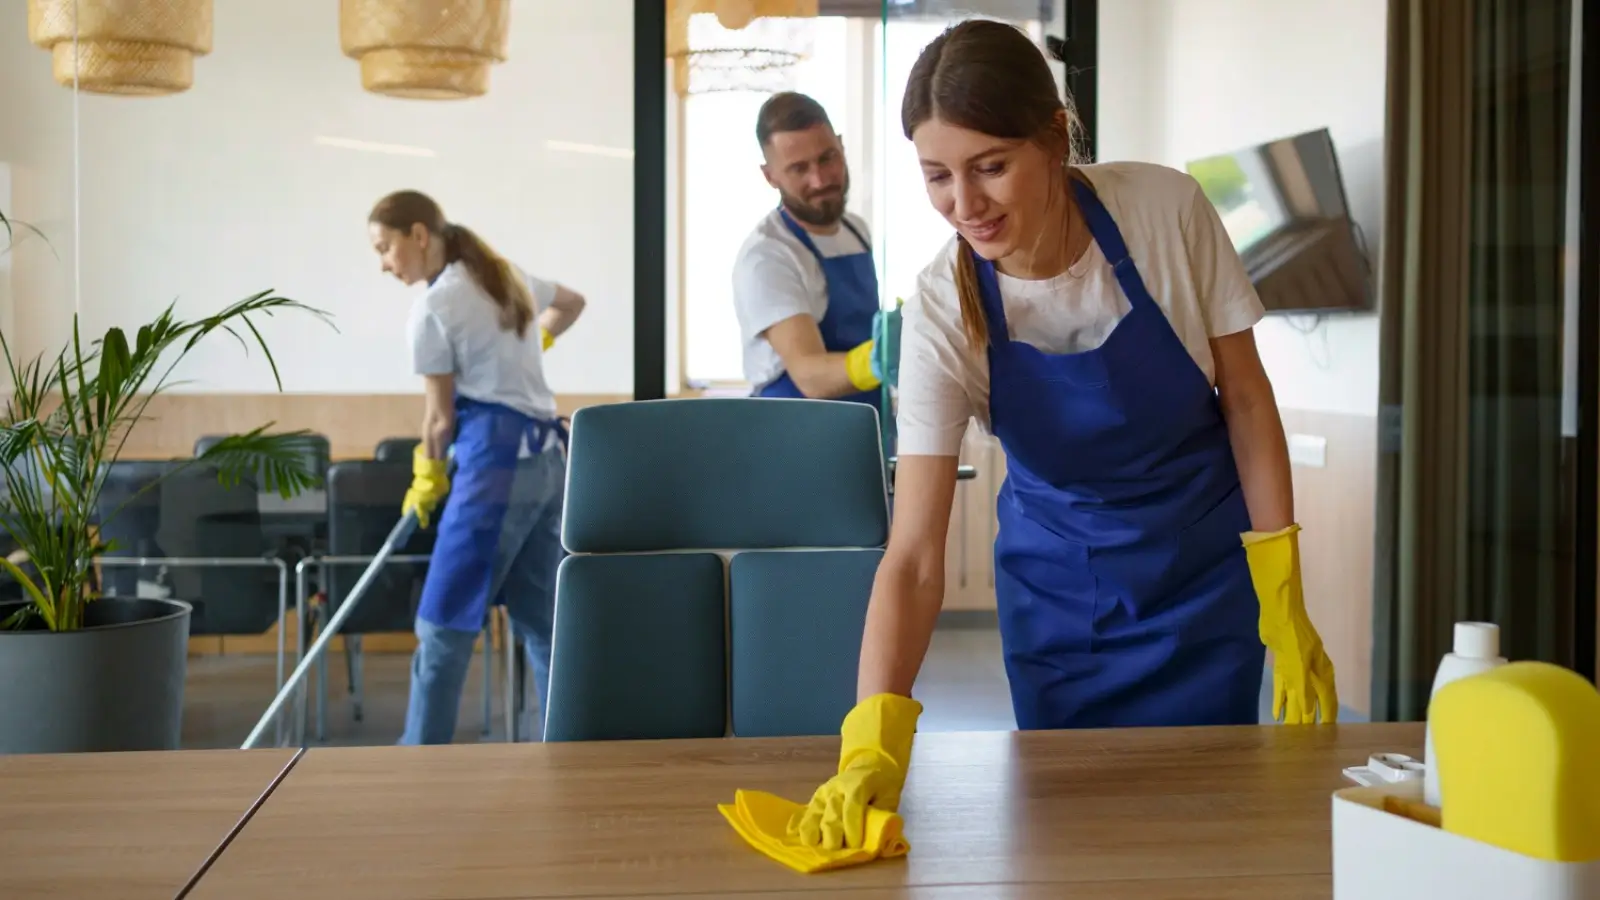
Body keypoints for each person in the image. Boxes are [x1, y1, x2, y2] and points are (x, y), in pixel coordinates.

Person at [787, 20, 1340, 850]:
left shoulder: (1163, 211)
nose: (964, 206)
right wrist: (870, 739)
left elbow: (1248, 402)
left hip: (1204, 582)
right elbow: (915, 557)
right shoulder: (942, 308)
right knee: (1074, 838)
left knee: (1209, 836)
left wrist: (1283, 594)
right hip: (1060, 602)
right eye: (937, 176)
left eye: (991, 167)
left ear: (1055, 136)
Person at [367, 189, 586, 745]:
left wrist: (427, 476)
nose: (384, 264)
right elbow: (574, 302)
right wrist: (533, 343)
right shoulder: (503, 274)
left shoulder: (435, 308)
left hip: (494, 471)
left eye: (386, 248)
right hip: (549, 463)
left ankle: (421, 757)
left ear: (420, 235)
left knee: (443, 621)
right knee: (542, 620)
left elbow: (439, 421)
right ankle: (562, 747)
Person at [732, 91, 900, 404]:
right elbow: (810, 376)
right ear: (770, 177)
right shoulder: (767, 258)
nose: (820, 179)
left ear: (841, 146)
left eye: (827, 158)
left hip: (866, 423)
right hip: (794, 437)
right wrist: (879, 359)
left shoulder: (856, 229)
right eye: (799, 168)